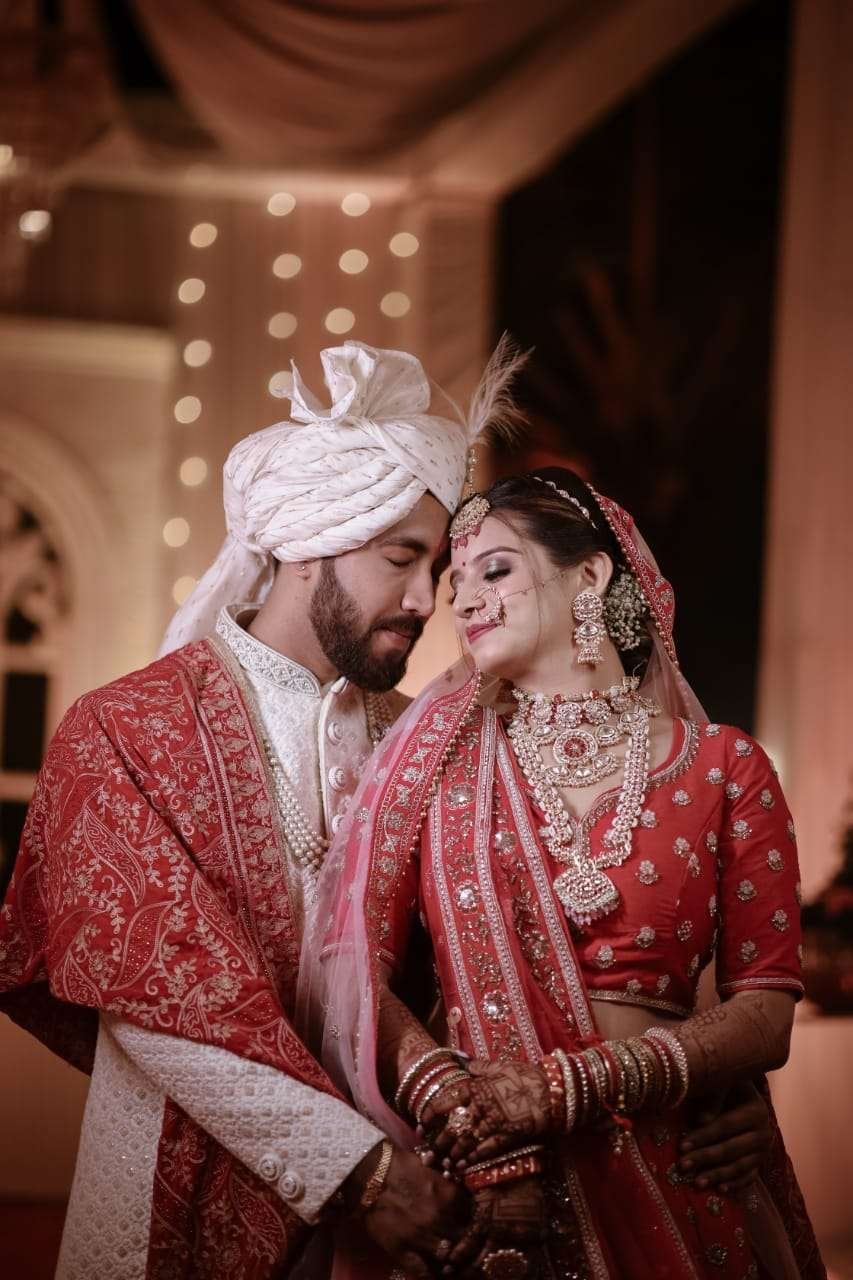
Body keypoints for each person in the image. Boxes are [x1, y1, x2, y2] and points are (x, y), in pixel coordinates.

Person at [0, 339, 515, 1280]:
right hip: (173, 1187)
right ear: (305, 544)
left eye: (436, 567)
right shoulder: (125, 730)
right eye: (400, 557)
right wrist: (360, 1174)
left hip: (405, 1211)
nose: (423, 599)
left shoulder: (425, 742)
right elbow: (154, 1009)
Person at [304, 467, 826, 1279]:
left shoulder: (725, 767)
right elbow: (348, 972)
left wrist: (565, 1089)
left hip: (672, 1170)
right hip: (488, 1181)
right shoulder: (433, 765)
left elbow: (764, 1013)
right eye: (455, 583)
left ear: (590, 573)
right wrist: (450, 1098)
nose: (463, 600)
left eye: (494, 570)